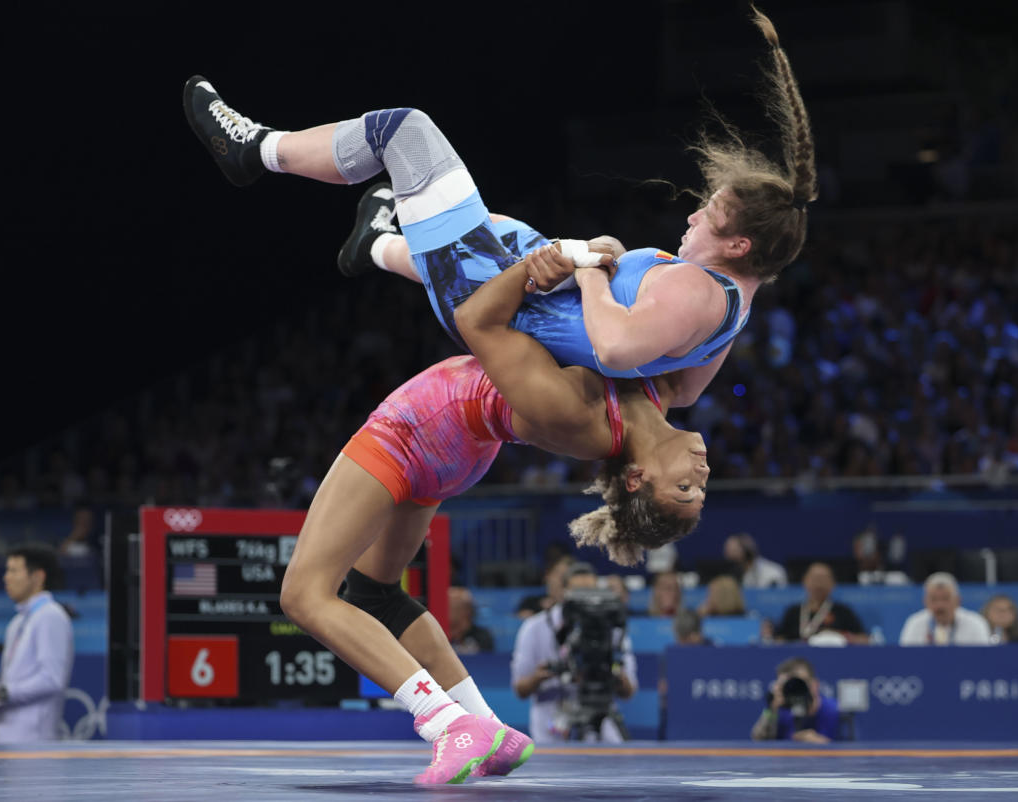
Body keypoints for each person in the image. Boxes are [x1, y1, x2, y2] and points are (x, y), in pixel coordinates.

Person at [183, 7, 815, 403]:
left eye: (708, 216)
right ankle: (375, 243)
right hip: (509, 302)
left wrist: (595, 273)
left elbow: (621, 352)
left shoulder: (700, 291)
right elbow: (674, 394)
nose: (691, 216)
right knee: (505, 227)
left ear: (739, 246)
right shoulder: (734, 309)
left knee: (403, 131)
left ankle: (256, 149)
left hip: (493, 302)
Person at [277, 233, 709, 783]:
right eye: (701, 489)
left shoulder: (581, 416)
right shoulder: (662, 389)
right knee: (373, 592)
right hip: (458, 448)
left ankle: (443, 723)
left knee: (303, 594)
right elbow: (703, 307)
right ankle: (487, 728)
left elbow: (478, 322)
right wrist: (604, 260)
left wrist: (538, 268)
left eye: (686, 491)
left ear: (638, 478)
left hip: (418, 427)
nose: (702, 475)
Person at [0, 544, 73, 743]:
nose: (6, 578)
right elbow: (9, 687)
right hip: (4, 741)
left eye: (13, 571)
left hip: (34, 745)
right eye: (6, 571)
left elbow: (52, 679)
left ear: (37, 576)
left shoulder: (51, 616)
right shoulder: (17, 623)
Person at [510, 562, 637, 743]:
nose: (585, 599)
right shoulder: (534, 627)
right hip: (552, 719)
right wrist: (540, 676)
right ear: (563, 592)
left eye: (590, 591)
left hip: (601, 715)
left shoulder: (612, 628)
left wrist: (612, 673)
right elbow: (520, 689)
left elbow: (629, 690)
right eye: (578, 592)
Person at [770, 563, 867, 644]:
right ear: (804, 581)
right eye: (815, 578)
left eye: (824, 579)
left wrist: (840, 636)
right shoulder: (793, 611)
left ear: (833, 583)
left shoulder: (843, 611)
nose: (819, 583)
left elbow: (864, 639)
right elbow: (778, 640)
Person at [750, 657, 839, 744]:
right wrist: (771, 709)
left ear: (815, 684)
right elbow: (759, 741)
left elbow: (851, 749)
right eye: (789, 685)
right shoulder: (781, 711)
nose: (795, 690)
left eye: (799, 684)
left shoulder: (836, 711)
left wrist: (821, 745)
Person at [899, 572, 991, 646]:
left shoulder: (975, 623)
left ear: (958, 601)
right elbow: (905, 660)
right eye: (934, 599)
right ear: (925, 602)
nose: (940, 605)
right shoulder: (914, 623)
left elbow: (983, 659)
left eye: (945, 599)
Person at [448, 587, 494, 655]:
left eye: (455, 607)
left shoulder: (483, 636)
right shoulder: (440, 635)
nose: (448, 610)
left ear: (467, 610)